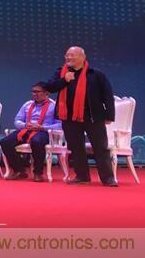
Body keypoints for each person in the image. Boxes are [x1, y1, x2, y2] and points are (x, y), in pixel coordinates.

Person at [42, 46, 117, 186]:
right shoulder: (61, 72)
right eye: (67, 55)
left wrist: (109, 115)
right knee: (76, 148)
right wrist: (64, 80)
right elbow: (49, 87)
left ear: (82, 57)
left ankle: (108, 178)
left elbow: (107, 95)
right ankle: (82, 176)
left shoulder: (95, 74)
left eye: (72, 55)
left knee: (100, 147)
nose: (68, 58)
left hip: (93, 116)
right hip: (70, 117)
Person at [1, 82, 60, 182]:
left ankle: (38, 173)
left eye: (37, 92)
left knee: (37, 141)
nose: (34, 94)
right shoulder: (27, 105)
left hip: (44, 132)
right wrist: (25, 125)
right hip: (26, 130)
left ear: (46, 93)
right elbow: (17, 120)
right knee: (5, 142)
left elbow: (60, 125)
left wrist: (43, 127)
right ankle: (19, 170)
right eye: (33, 92)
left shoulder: (54, 106)